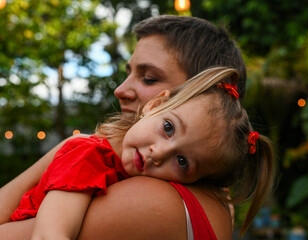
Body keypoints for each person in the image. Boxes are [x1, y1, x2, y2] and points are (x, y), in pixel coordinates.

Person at [0, 15, 270, 239]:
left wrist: (69, 148)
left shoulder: (154, 201)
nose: (120, 90)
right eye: (128, 72)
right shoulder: (206, 199)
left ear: (195, 94)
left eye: (149, 78)